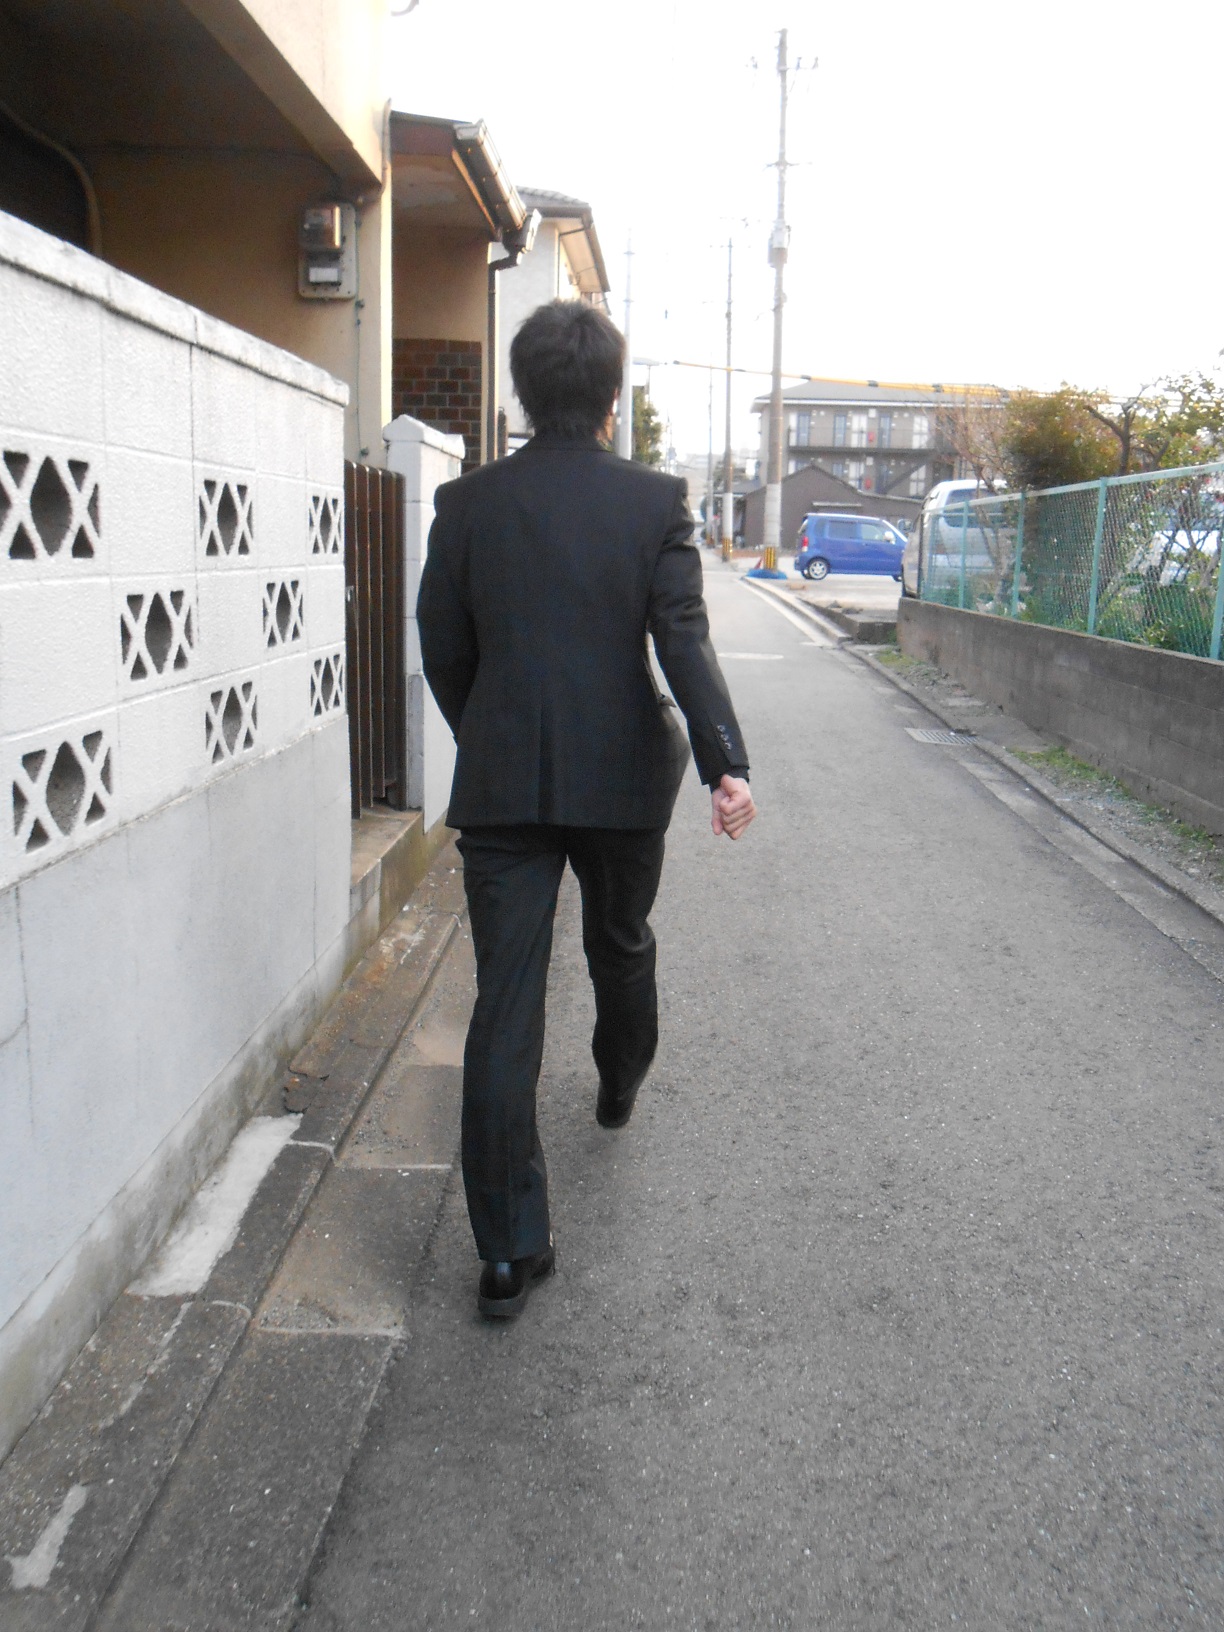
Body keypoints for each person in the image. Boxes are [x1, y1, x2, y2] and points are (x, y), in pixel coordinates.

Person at [417, 299, 755, 1320]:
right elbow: (682, 637)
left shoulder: (466, 504)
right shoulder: (654, 501)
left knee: (505, 1006)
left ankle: (507, 1253)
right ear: (612, 397)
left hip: (503, 787)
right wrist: (726, 765)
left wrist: (490, 730)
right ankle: (618, 1080)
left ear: (523, 394)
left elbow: (443, 646)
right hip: (622, 779)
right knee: (620, 943)